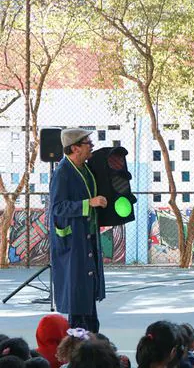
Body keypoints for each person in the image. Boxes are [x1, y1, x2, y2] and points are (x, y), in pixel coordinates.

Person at [49, 129, 107, 332]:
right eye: (87, 143)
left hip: (88, 237)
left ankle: (91, 335)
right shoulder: (63, 173)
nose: (91, 145)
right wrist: (88, 203)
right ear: (75, 148)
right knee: (77, 293)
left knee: (88, 289)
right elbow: (57, 207)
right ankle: (79, 341)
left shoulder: (86, 169)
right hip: (73, 241)